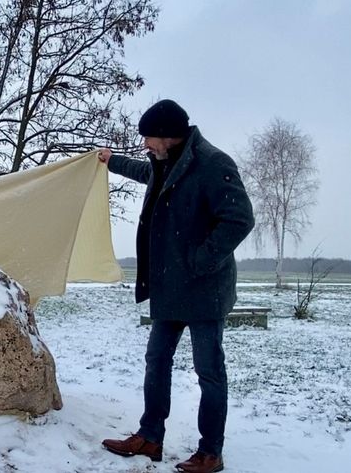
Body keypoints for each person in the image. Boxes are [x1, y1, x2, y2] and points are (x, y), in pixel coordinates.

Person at [97, 100, 254, 473]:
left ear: (168, 135)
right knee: (156, 362)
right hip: (170, 289)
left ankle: (210, 452)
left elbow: (240, 219)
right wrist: (111, 160)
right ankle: (150, 436)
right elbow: (144, 172)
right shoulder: (166, 161)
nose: (145, 146)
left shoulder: (214, 164)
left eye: (149, 138)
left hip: (204, 290)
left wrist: (200, 260)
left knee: (209, 371)